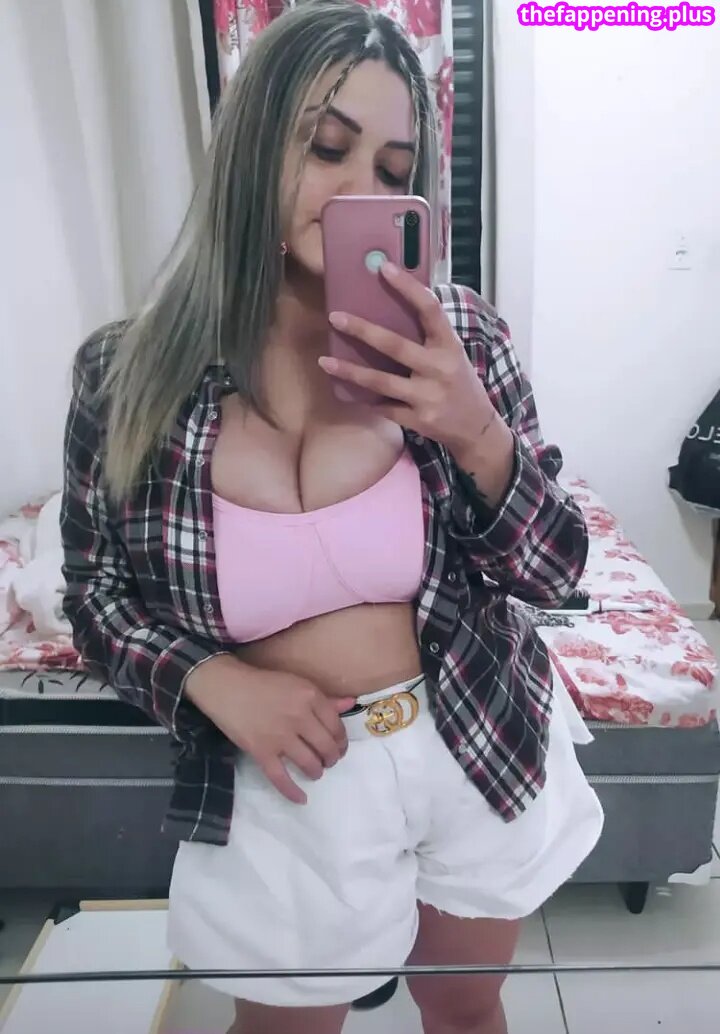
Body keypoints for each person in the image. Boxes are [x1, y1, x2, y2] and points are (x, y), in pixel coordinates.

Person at [61, 2, 603, 1032]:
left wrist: (477, 432)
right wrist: (212, 680)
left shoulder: (460, 339)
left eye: (395, 169)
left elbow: (556, 570)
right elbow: (96, 597)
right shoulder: (130, 374)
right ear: (252, 149)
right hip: (293, 779)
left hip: (474, 731)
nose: (365, 191)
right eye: (326, 147)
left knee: (467, 1010)